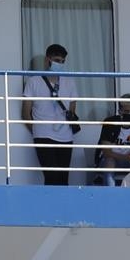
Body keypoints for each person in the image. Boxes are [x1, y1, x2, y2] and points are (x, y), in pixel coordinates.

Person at [20, 44, 80, 186]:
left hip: (66, 137)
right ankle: (49, 207)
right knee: (51, 177)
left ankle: (62, 208)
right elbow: (25, 112)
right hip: (43, 135)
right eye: (57, 60)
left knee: (63, 179)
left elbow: (72, 111)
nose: (60, 64)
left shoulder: (70, 82)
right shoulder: (33, 81)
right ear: (47, 60)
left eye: (62, 61)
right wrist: (36, 131)